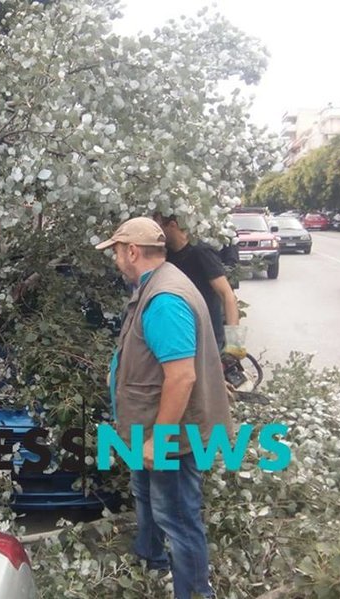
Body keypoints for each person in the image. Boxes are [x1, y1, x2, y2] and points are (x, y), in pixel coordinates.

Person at [96, 217, 232, 599]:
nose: (116, 260)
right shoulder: (157, 284)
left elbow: (181, 377)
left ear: (133, 251)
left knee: (178, 518)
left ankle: (194, 593)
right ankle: (150, 556)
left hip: (170, 434)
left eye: (117, 252)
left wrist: (160, 439)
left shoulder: (165, 300)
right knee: (146, 494)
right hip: (148, 426)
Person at [153, 212, 243, 355]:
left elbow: (227, 295)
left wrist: (235, 345)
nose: (156, 233)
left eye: (158, 227)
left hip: (208, 339)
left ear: (172, 225)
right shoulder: (165, 257)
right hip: (180, 338)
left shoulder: (201, 252)